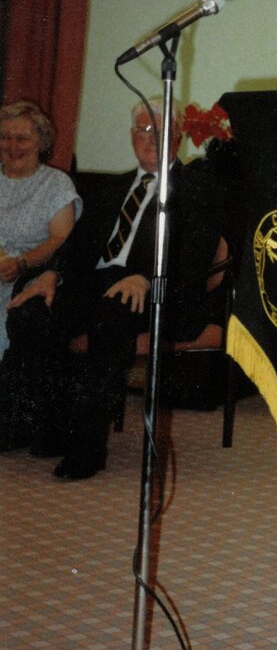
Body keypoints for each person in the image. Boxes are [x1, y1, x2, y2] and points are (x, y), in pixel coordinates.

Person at [15, 100, 220, 479]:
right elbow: (76, 247)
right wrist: (52, 276)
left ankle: (87, 448)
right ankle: (47, 428)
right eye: (142, 131)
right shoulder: (112, 187)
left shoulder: (197, 187)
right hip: (97, 283)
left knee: (110, 322)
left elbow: (194, 254)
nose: (149, 139)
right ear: (130, 137)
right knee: (30, 313)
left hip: (159, 289)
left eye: (158, 130)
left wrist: (145, 275)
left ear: (177, 136)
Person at [0, 102, 81, 448]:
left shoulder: (56, 184)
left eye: (23, 138)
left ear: (41, 141)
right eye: (5, 137)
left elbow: (60, 239)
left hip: (31, 271)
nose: (13, 145)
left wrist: (20, 263)